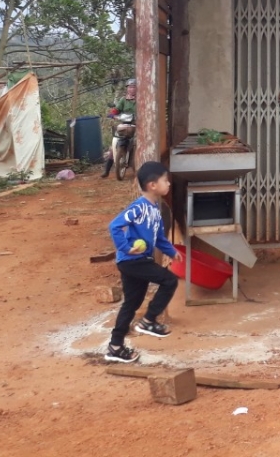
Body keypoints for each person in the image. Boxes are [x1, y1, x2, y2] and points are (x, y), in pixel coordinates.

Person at [104, 161, 183, 363]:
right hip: (133, 260)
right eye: (165, 180)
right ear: (152, 185)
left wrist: (171, 251)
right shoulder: (139, 207)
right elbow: (115, 225)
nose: (169, 184)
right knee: (169, 280)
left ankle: (115, 346)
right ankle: (148, 321)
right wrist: (125, 247)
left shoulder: (155, 209)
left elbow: (159, 238)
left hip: (137, 261)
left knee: (131, 303)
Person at [101, 78, 138, 179]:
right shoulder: (123, 100)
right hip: (124, 125)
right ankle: (107, 170)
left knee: (138, 144)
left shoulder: (141, 99)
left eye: (134, 87)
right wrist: (112, 114)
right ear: (127, 89)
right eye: (130, 87)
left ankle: (138, 169)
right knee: (113, 146)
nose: (132, 89)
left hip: (138, 125)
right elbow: (117, 109)